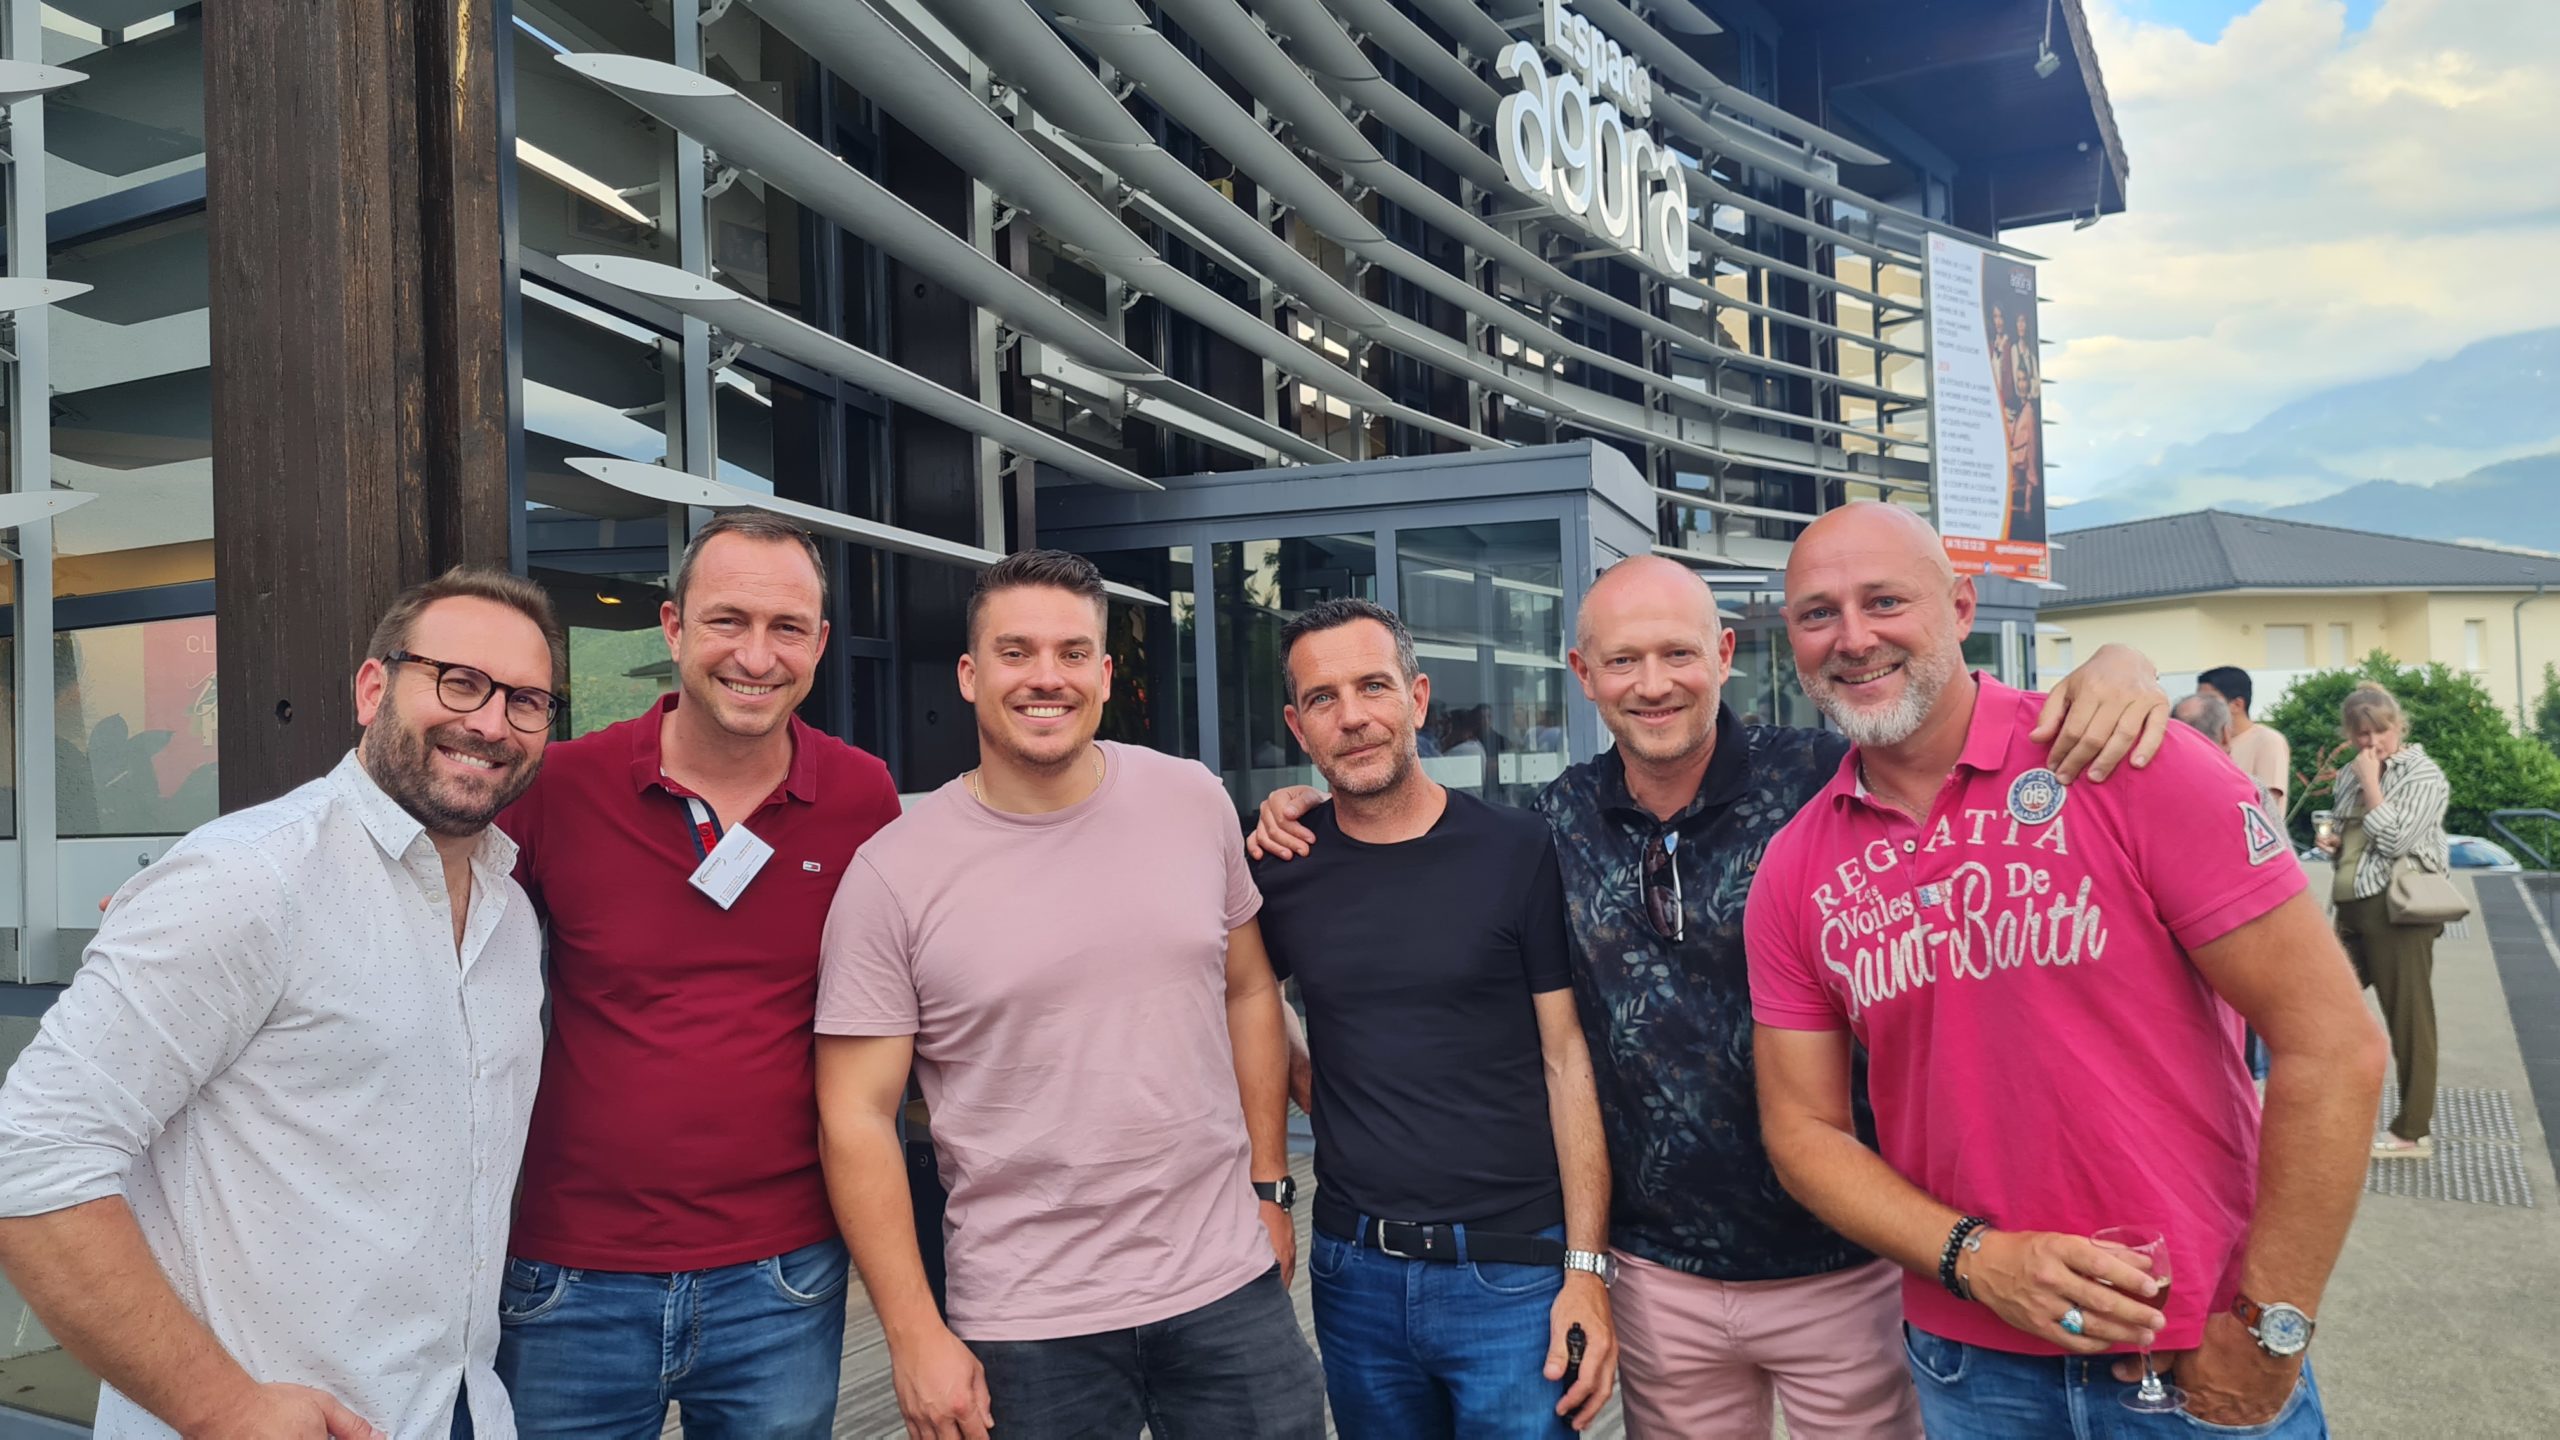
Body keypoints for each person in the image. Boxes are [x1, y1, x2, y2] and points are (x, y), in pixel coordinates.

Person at [1254, 554, 2172, 1438]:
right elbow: (1381, 893)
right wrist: (1299, 815)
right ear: (1583, 674)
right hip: (1659, 1277)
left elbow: (1951, 735)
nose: (1653, 684)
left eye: (1677, 653)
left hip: (1845, 1260)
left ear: (1724, 654)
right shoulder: (1553, 823)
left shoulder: (1825, 778)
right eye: (1623, 660)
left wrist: (2122, 665)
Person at [1748, 502, 2388, 1437]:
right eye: (1818, 614)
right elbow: (1803, 1130)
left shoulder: (2122, 757)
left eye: (1885, 600)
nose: (1853, 637)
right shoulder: (1795, 866)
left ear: (1961, 606)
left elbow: (2333, 1047)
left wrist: (2270, 1328)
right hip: (1972, 1368)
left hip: (2189, 1351)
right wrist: (1977, 1259)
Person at [0, 567, 566, 1439]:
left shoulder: (510, 917)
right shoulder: (248, 879)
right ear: (373, 689)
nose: (491, 722)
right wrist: (221, 1408)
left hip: (458, 1409)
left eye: (525, 701)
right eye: (458, 681)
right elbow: (33, 1160)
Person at [815, 550, 1324, 1440]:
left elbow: (1249, 990)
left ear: (1105, 674)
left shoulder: (1190, 799)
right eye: (1015, 652)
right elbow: (854, 1116)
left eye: (1072, 652)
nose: (1046, 677)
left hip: (1223, 1283)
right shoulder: (892, 874)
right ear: (969, 675)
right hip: (1025, 1320)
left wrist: (1271, 1185)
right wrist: (913, 1333)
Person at [492, 512, 902, 1436]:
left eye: (786, 628)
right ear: (674, 627)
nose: (756, 656)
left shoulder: (861, 796)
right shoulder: (559, 786)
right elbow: (435, 927)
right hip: (570, 1275)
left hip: (783, 1277)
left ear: (820, 644)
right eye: (727, 621)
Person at [1253, 598, 1616, 1437]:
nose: (1353, 717)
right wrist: (1313, 1085)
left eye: (1373, 686)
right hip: (1354, 1274)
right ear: (1298, 726)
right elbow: (1245, 1000)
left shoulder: (1518, 850)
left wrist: (1586, 1268)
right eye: (1322, 698)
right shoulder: (1283, 866)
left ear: (1417, 699)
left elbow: (1567, 1059)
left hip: (1515, 1274)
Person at [2318, 681, 2452, 1159]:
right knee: (2322, 1007)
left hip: (2398, 907)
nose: (2372, 742)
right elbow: (2349, 835)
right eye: (2361, 734)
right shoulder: (2348, 775)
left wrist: (2372, 784)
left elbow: (2395, 840)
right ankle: (2329, 1108)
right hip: (2351, 902)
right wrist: (2332, 841)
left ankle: (2412, 1130)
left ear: (2399, 726)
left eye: (2381, 731)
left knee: (2409, 1019)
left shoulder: (2423, 775)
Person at [2200, 666, 2291, 817]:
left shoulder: (2268, 740)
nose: (2202, 708)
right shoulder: (2207, 743)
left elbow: (2268, 805)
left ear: (2237, 704)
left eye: (2209, 701)